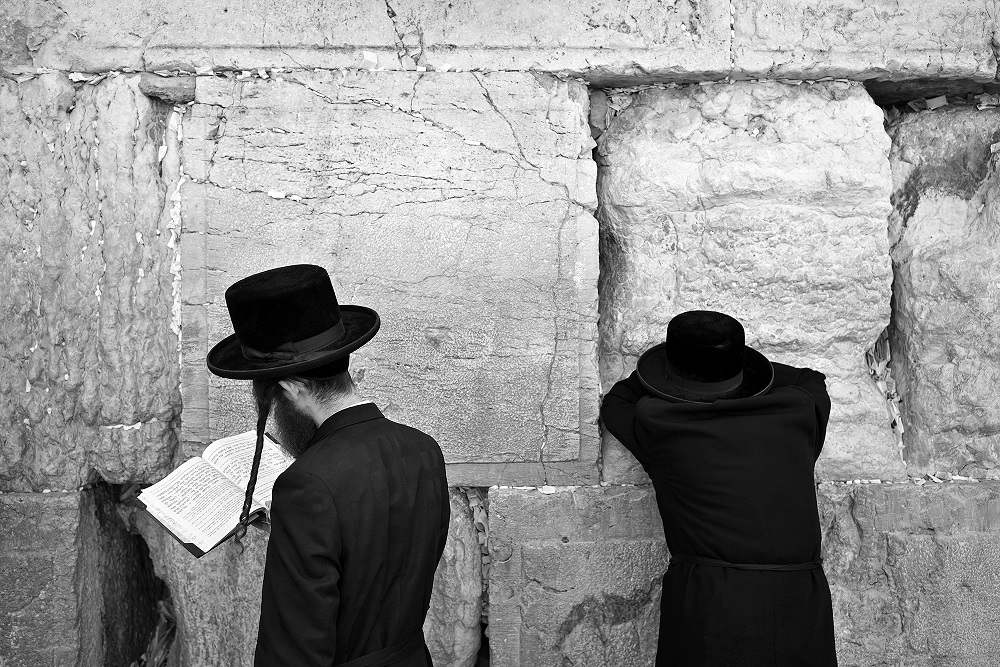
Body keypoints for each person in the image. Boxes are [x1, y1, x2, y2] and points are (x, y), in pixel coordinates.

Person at [206, 263, 450, 667]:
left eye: (266, 399)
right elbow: (378, 557)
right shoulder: (423, 449)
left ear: (291, 387)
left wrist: (303, 523)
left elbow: (293, 651)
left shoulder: (306, 486)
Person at [601, 310, 837, 667]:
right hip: (800, 602)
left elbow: (618, 399)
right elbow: (808, 377)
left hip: (712, 605)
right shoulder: (801, 411)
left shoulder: (662, 425)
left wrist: (660, 379)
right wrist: (737, 368)